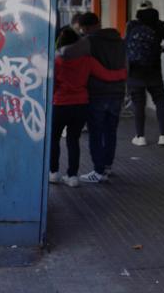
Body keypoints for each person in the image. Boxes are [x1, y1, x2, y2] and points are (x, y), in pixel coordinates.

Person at [50, 27, 127, 187]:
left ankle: (54, 172)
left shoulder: (56, 61)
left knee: (54, 139)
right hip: (80, 105)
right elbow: (106, 75)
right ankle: (72, 176)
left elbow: (52, 85)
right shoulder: (87, 60)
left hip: (60, 105)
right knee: (73, 140)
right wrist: (123, 74)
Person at [126, 0, 164, 146]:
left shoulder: (132, 25)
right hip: (154, 70)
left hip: (135, 70)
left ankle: (140, 137)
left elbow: (127, 45)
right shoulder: (160, 25)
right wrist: (163, 49)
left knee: (138, 103)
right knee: (160, 100)